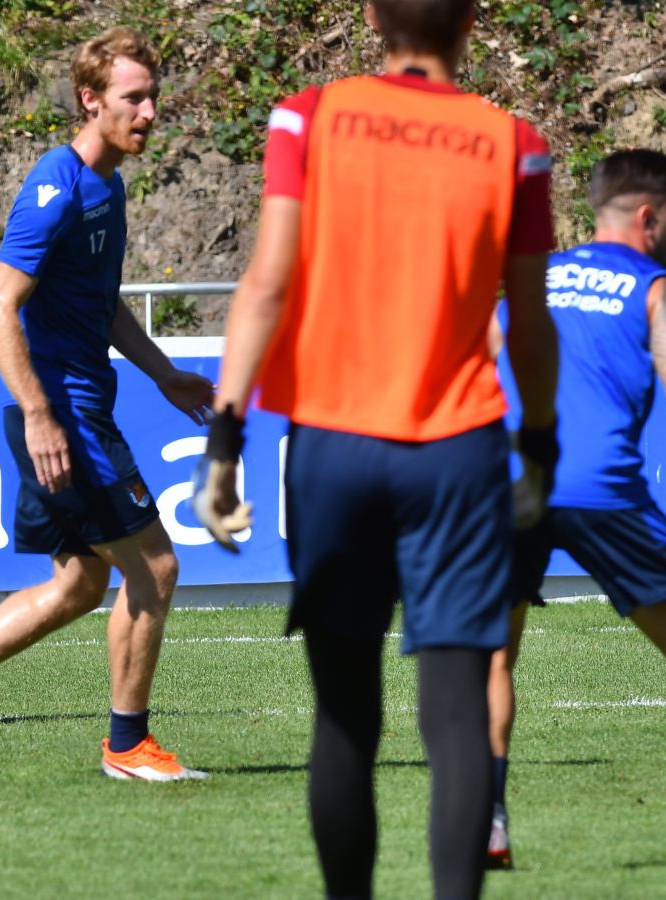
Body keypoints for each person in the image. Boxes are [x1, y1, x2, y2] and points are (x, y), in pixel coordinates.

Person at [193, 1, 562, 896]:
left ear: (369, 15)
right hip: (458, 449)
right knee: (457, 718)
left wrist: (225, 440)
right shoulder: (514, 141)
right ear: (471, 20)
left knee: (345, 715)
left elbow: (268, 283)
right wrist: (540, 445)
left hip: (333, 444)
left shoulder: (308, 117)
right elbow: (529, 321)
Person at [0, 27, 215, 782]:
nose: (150, 112)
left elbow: (101, 306)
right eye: (134, 98)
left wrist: (163, 373)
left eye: (154, 96)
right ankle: (128, 746)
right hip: (64, 419)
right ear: (90, 100)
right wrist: (39, 414)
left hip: (75, 410)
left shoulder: (109, 186)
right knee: (155, 568)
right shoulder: (55, 188)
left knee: (79, 582)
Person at [485, 149, 666, 872]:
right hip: (599, 486)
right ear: (648, 217)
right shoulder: (659, 292)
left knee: (493, 658)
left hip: (507, 482)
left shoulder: (529, 278)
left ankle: (486, 825)